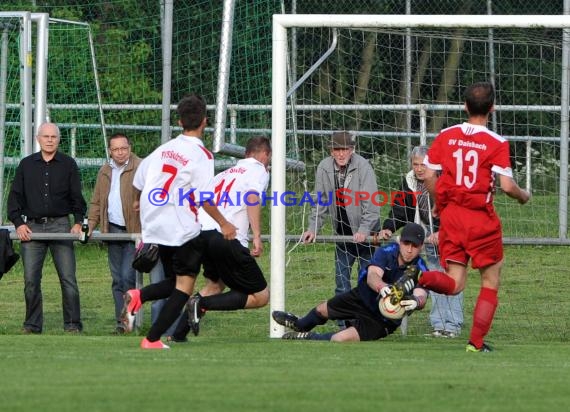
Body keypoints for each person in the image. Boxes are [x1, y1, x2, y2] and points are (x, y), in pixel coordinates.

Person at [412, 81, 530, 352]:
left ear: (464, 106)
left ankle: (416, 279)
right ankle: (475, 344)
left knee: (454, 283)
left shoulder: (446, 134)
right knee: (490, 281)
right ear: (492, 108)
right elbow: (508, 187)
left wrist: (441, 204)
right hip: (480, 220)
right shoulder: (497, 142)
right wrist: (524, 196)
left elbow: (429, 174)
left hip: (452, 217)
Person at [120, 94, 237, 349]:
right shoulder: (202, 155)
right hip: (180, 227)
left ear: (179, 121)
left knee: (175, 281)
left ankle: (139, 295)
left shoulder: (164, 149)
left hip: (155, 225)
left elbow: (138, 180)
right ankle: (151, 339)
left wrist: (141, 200)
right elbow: (205, 197)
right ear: (205, 121)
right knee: (184, 287)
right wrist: (224, 223)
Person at [169, 135, 272, 341]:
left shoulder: (223, 174)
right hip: (226, 237)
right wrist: (257, 236)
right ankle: (201, 304)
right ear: (265, 154)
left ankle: (178, 335)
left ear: (245, 153)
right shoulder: (258, 170)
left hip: (202, 235)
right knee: (260, 296)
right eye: (269, 158)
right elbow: (251, 197)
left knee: (215, 286)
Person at [272, 223, 428, 342]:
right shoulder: (386, 252)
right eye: (407, 244)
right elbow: (372, 275)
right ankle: (300, 325)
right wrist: (382, 287)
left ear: (421, 247)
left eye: (414, 246)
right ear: (400, 241)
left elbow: (421, 296)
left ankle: (308, 337)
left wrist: (415, 301)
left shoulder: (420, 269)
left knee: (339, 339)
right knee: (321, 310)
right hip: (361, 297)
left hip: (382, 320)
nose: (409, 250)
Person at [8, 122, 86, 333]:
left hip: (61, 226)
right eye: (46, 136)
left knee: (68, 279)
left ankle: (72, 324)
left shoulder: (69, 164)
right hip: (32, 228)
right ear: (38, 138)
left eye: (53, 136)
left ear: (59, 139)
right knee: (31, 281)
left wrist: (78, 221)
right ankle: (32, 325)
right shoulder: (26, 165)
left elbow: (77, 198)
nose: (50, 140)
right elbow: (14, 199)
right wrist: (19, 224)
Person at [379, 145, 463, 338]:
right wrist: (388, 227)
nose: (419, 168)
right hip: (428, 238)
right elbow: (400, 209)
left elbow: (457, 209)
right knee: (435, 279)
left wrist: (443, 232)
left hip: (451, 235)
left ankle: (453, 325)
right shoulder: (409, 181)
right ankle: (439, 325)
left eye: (423, 164)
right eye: (415, 164)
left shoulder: (446, 179)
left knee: (453, 279)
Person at [301, 131, 380, 328]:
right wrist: (313, 228)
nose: (341, 153)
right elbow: (320, 203)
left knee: (367, 282)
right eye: (337, 149)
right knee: (341, 283)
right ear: (331, 150)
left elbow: (372, 207)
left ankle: (365, 323)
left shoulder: (364, 167)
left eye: (345, 149)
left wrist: (363, 230)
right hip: (342, 235)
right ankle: (343, 325)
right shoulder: (324, 167)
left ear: (352, 150)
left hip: (367, 236)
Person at [87, 133, 141, 334]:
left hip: (134, 232)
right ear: (110, 150)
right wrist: (91, 224)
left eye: (123, 148)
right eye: (116, 149)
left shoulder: (141, 167)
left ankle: (131, 319)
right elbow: (97, 202)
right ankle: (122, 323)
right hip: (113, 229)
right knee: (117, 279)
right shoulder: (105, 171)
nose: (120, 152)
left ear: (130, 147)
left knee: (128, 277)